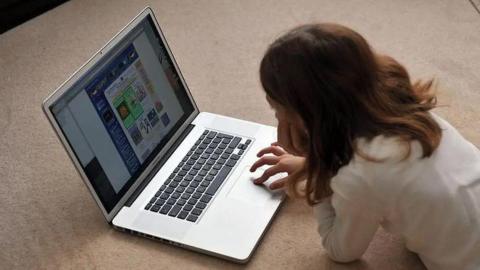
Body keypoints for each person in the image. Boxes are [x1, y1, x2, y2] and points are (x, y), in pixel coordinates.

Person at [250, 23, 480, 270]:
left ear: (308, 118)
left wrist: (320, 174)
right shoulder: (413, 115)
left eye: (278, 112)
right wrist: (314, 163)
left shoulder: (359, 177)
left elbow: (341, 250)